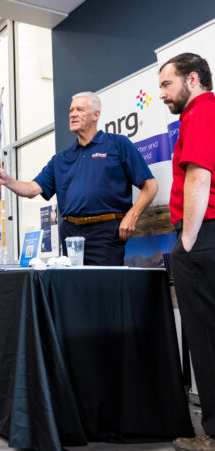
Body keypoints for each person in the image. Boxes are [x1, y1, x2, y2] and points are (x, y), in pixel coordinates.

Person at [0, 92, 157, 265]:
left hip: (106, 234)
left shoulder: (117, 144)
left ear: (96, 115)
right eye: (71, 110)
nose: (73, 114)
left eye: (79, 110)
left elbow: (150, 185)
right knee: (73, 288)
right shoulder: (61, 159)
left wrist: (132, 216)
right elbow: (32, 189)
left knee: (105, 289)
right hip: (70, 235)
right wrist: (7, 180)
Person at [159, 53, 215, 451]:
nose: (161, 93)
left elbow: (198, 176)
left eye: (166, 84)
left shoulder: (200, 113)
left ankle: (212, 434)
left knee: (206, 340)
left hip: (204, 236)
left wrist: (188, 243)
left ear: (191, 79)